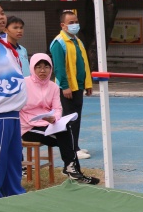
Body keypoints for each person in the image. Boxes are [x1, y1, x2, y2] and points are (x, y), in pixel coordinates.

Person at [20, 54, 99, 184]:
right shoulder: (23, 84)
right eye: (38, 67)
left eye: (46, 67)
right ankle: (74, 171)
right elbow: (19, 106)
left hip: (47, 125)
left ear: (51, 68)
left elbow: (57, 108)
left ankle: (72, 170)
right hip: (29, 127)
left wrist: (54, 118)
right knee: (67, 139)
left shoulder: (54, 87)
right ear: (32, 68)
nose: (42, 70)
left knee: (66, 129)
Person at [0, 0, 27, 199]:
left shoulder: (4, 43)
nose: (1, 17)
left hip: (13, 114)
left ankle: (15, 199)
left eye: (2, 12)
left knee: (13, 164)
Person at [50, 10, 93, 160]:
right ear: (63, 25)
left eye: (76, 22)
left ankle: (75, 146)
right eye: (71, 23)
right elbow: (59, 67)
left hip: (78, 85)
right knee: (69, 119)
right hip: (68, 87)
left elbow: (83, 63)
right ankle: (71, 149)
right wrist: (64, 86)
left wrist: (87, 83)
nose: (75, 25)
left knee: (76, 118)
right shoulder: (59, 42)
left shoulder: (77, 41)